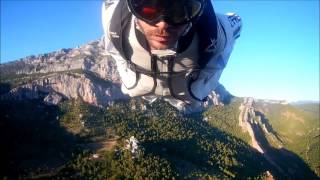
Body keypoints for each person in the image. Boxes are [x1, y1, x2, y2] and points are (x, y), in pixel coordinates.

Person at [102, 0, 242, 113]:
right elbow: (237, 23)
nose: (163, 24)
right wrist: (199, 88)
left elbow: (233, 30)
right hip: (179, 88)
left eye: (179, 12)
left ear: (196, 14)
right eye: (148, 8)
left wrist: (199, 87)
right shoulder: (114, 21)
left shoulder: (216, 33)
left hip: (174, 89)